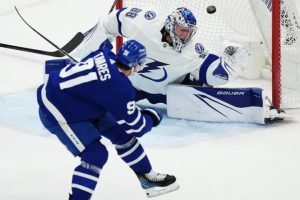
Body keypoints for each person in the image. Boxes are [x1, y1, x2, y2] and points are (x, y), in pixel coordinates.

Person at [37, 39, 179, 200]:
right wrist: (152, 117)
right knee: (96, 154)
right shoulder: (120, 88)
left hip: (79, 101)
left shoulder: (103, 53)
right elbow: (137, 127)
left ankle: (147, 178)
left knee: (123, 135)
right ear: (135, 66)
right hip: (56, 108)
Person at [71, 7, 235, 104]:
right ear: (171, 25)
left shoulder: (192, 50)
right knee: (99, 101)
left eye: (189, 31)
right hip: (130, 86)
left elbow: (212, 73)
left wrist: (232, 65)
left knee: (201, 86)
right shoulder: (145, 23)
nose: (186, 35)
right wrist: (101, 52)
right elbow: (112, 22)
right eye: (183, 29)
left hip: (166, 93)